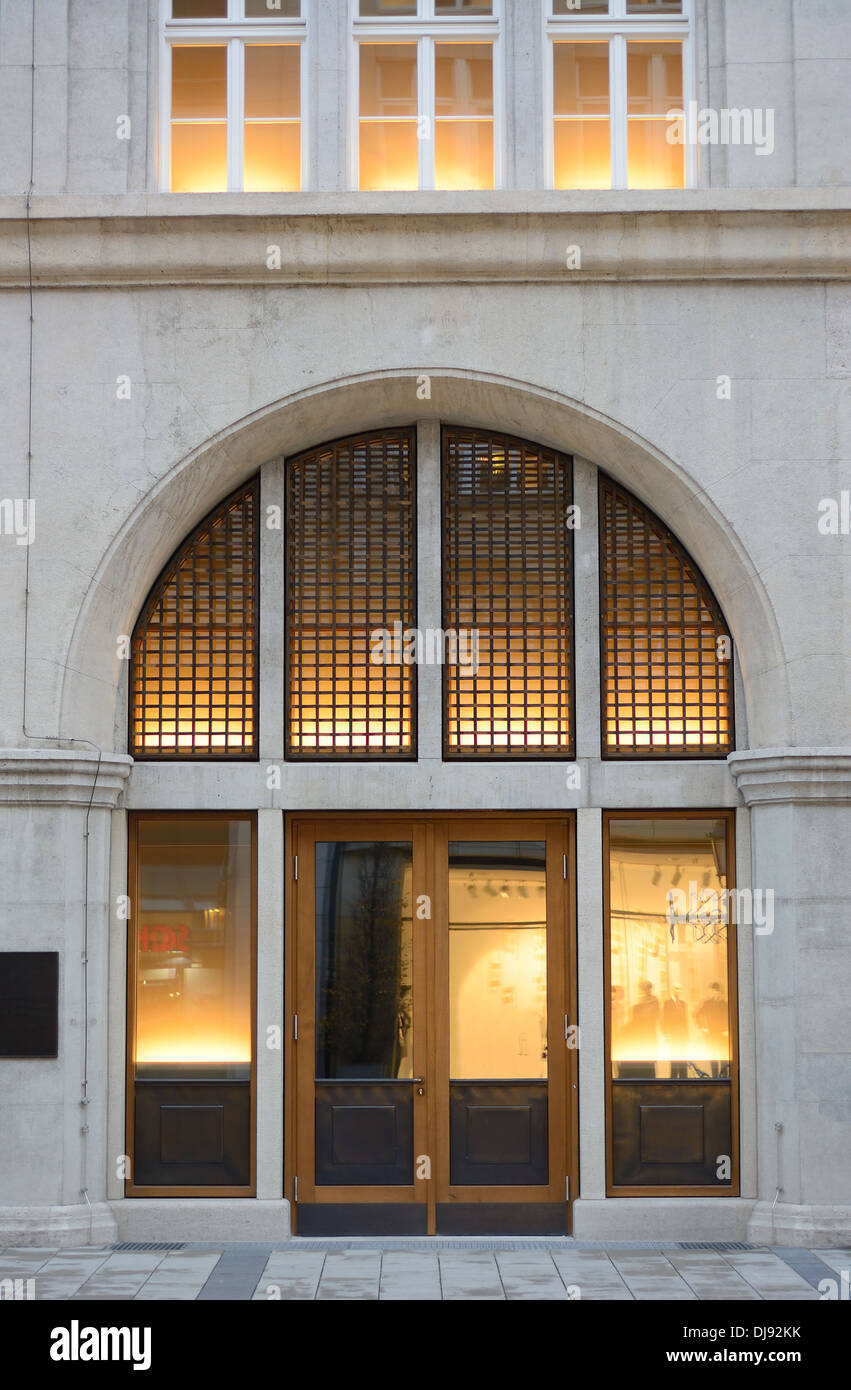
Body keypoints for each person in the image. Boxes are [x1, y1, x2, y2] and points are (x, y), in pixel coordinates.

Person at [696, 981, 728, 1078]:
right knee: (713, 1057)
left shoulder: (724, 1004)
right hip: (711, 1034)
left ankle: (724, 1077)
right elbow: (696, 1015)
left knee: (723, 1057)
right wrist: (702, 1027)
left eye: (717, 991)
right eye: (714, 991)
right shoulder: (707, 1003)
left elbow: (730, 1017)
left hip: (722, 1035)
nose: (716, 993)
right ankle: (715, 1078)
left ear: (720, 992)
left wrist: (728, 1029)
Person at [662, 983, 689, 1079]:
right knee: (674, 1057)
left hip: (682, 1034)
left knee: (683, 1057)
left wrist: (687, 1034)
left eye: (680, 989)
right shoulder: (667, 1003)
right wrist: (666, 1033)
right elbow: (665, 1019)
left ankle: (684, 1077)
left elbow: (685, 1020)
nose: (678, 991)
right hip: (673, 1034)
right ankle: (673, 1078)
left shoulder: (683, 1004)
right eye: (677, 989)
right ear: (672, 989)